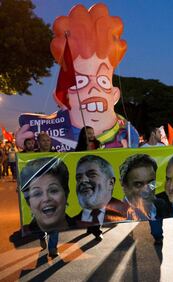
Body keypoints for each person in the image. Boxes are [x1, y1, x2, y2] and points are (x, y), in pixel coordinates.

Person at [16, 4, 139, 150]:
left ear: (115, 94)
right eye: (80, 82)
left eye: (103, 81)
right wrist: (26, 145)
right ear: (62, 97)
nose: (93, 88)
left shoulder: (126, 132)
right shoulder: (56, 132)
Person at [20, 157, 75, 258]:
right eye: (37, 193)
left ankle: (53, 248)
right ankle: (41, 236)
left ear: (66, 193)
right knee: (40, 227)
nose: (46, 199)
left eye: (53, 190)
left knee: (55, 227)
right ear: (29, 201)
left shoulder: (77, 220)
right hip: (38, 226)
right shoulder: (30, 225)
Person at [74, 155, 131, 241]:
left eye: (92, 175)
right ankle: (91, 229)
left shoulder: (127, 211)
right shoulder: (71, 220)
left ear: (110, 183)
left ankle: (96, 231)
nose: (83, 180)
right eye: (79, 177)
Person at [120, 154, 168, 245]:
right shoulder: (116, 210)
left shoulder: (161, 205)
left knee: (157, 231)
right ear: (124, 185)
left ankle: (158, 237)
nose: (147, 190)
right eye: (138, 184)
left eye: (151, 183)